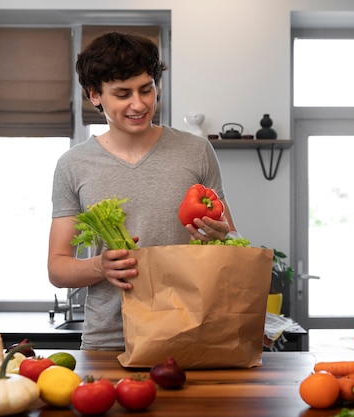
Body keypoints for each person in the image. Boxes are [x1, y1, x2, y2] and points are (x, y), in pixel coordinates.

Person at [47, 32, 238, 350]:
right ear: (95, 94)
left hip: (190, 333)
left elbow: (234, 242)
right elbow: (57, 266)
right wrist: (99, 266)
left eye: (146, 89)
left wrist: (221, 239)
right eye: (123, 94)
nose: (139, 104)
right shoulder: (73, 165)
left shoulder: (196, 151)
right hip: (109, 341)